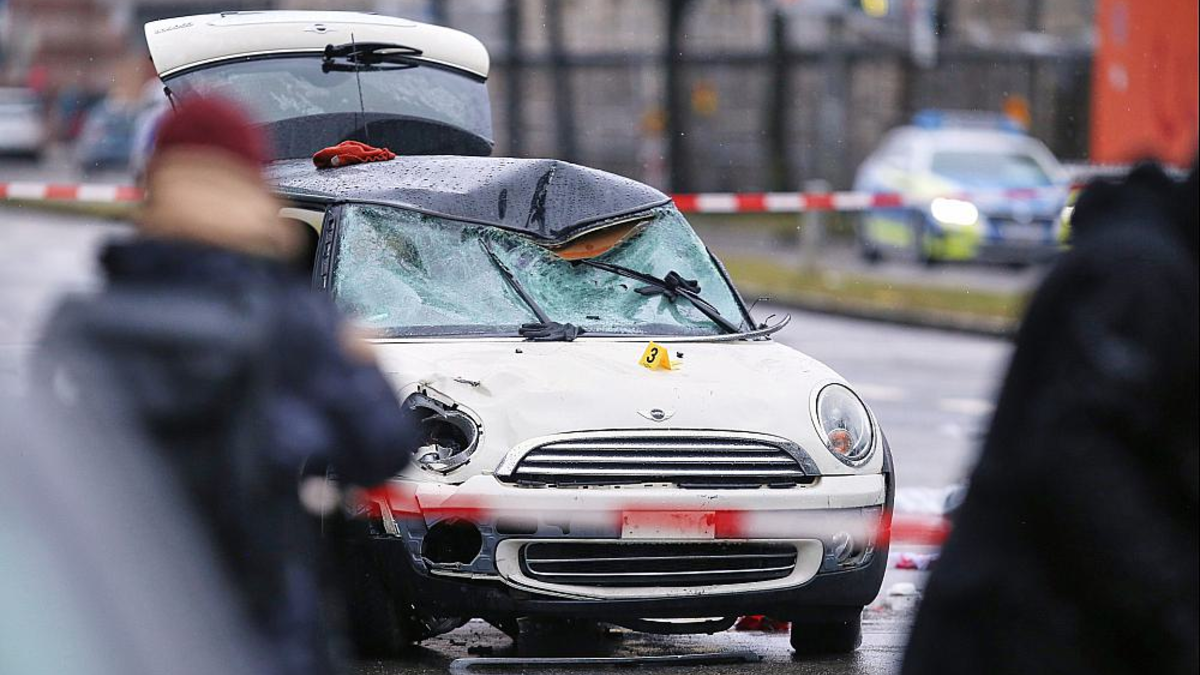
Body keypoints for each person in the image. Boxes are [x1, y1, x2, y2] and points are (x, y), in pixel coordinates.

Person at [38, 95, 419, 675]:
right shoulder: (293, 319)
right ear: (250, 186)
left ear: (153, 184)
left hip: (120, 632)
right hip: (259, 633)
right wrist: (359, 364)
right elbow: (382, 448)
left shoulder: (82, 324)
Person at [902, 160, 1198, 675]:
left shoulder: (1153, 268)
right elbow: (1082, 462)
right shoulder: (1139, 276)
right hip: (1020, 638)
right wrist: (1177, 613)